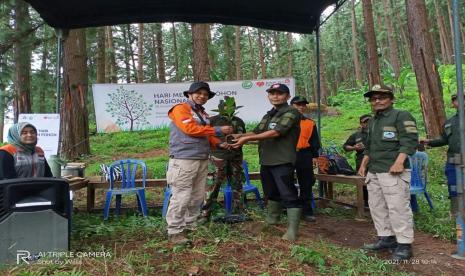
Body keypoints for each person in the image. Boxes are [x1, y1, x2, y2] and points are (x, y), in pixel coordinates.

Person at [231, 83, 302, 241]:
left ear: (287, 96)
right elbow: (257, 132)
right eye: (272, 93)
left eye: (280, 93)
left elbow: (277, 132)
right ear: (268, 96)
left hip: (282, 160)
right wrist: (239, 136)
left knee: (288, 193)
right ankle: (272, 220)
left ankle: (292, 230)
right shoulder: (269, 114)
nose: (275, 96)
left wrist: (246, 138)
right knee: (271, 193)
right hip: (267, 160)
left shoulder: (292, 112)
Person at [165, 81, 233, 245]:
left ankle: (190, 225)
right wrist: (218, 130)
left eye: (205, 94)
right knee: (181, 196)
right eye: (199, 93)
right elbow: (190, 130)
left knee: (197, 196)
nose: (202, 96)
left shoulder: (202, 113)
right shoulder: (181, 109)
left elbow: (205, 134)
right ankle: (175, 230)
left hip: (202, 159)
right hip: (184, 160)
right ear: (189, 94)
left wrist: (218, 143)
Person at [358, 84, 418, 260]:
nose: (377, 101)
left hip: (393, 171)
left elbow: (410, 141)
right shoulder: (372, 121)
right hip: (374, 170)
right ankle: (386, 238)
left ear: (391, 99)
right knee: (377, 206)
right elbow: (369, 147)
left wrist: (399, 162)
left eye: (382, 97)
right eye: (374, 98)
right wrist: (363, 165)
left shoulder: (401, 115)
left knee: (398, 207)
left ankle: (405, 245)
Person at [201, 97, 247, 219]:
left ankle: (240, 212)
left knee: (237, 185)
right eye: (225, 107)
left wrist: (240, 141)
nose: (228, 109)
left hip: (235, 158)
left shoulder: (239, 121)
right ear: (221, 108)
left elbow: (244, 137)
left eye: (231, 106)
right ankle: (205, 214)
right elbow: (205, 137)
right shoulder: (213, 121)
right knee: (212, 187)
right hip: (217, 158)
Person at [421, 94, 461, 215]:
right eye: (456, 100)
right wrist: (429, 142)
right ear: (453, 104)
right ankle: (456, 215)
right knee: (454, 186)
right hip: (454, 159)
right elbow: (444, 140)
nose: (459, 102)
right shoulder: (449, 122)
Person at [290, 95, 320, 222]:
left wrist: (315, 156)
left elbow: (314, 141)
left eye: (303, 105)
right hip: (287, 154)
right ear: (292, 106)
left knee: (306, 183)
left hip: (304, 154)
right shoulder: (285, 121)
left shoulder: (310, 123)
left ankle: (306, 211)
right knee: (286, 181)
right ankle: (290, 209)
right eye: (298, 104)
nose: (301, 107)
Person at [343, 114, 372, 207]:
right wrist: (354, 147)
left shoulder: (377, 132)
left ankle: (376, 203)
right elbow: (345, 146)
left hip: (376, 161)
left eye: (369, 121)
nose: (367, 124)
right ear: (361, 124)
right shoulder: (356, 135)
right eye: (365, 122)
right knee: (363, 182)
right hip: (361, 161)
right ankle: (365, 203)